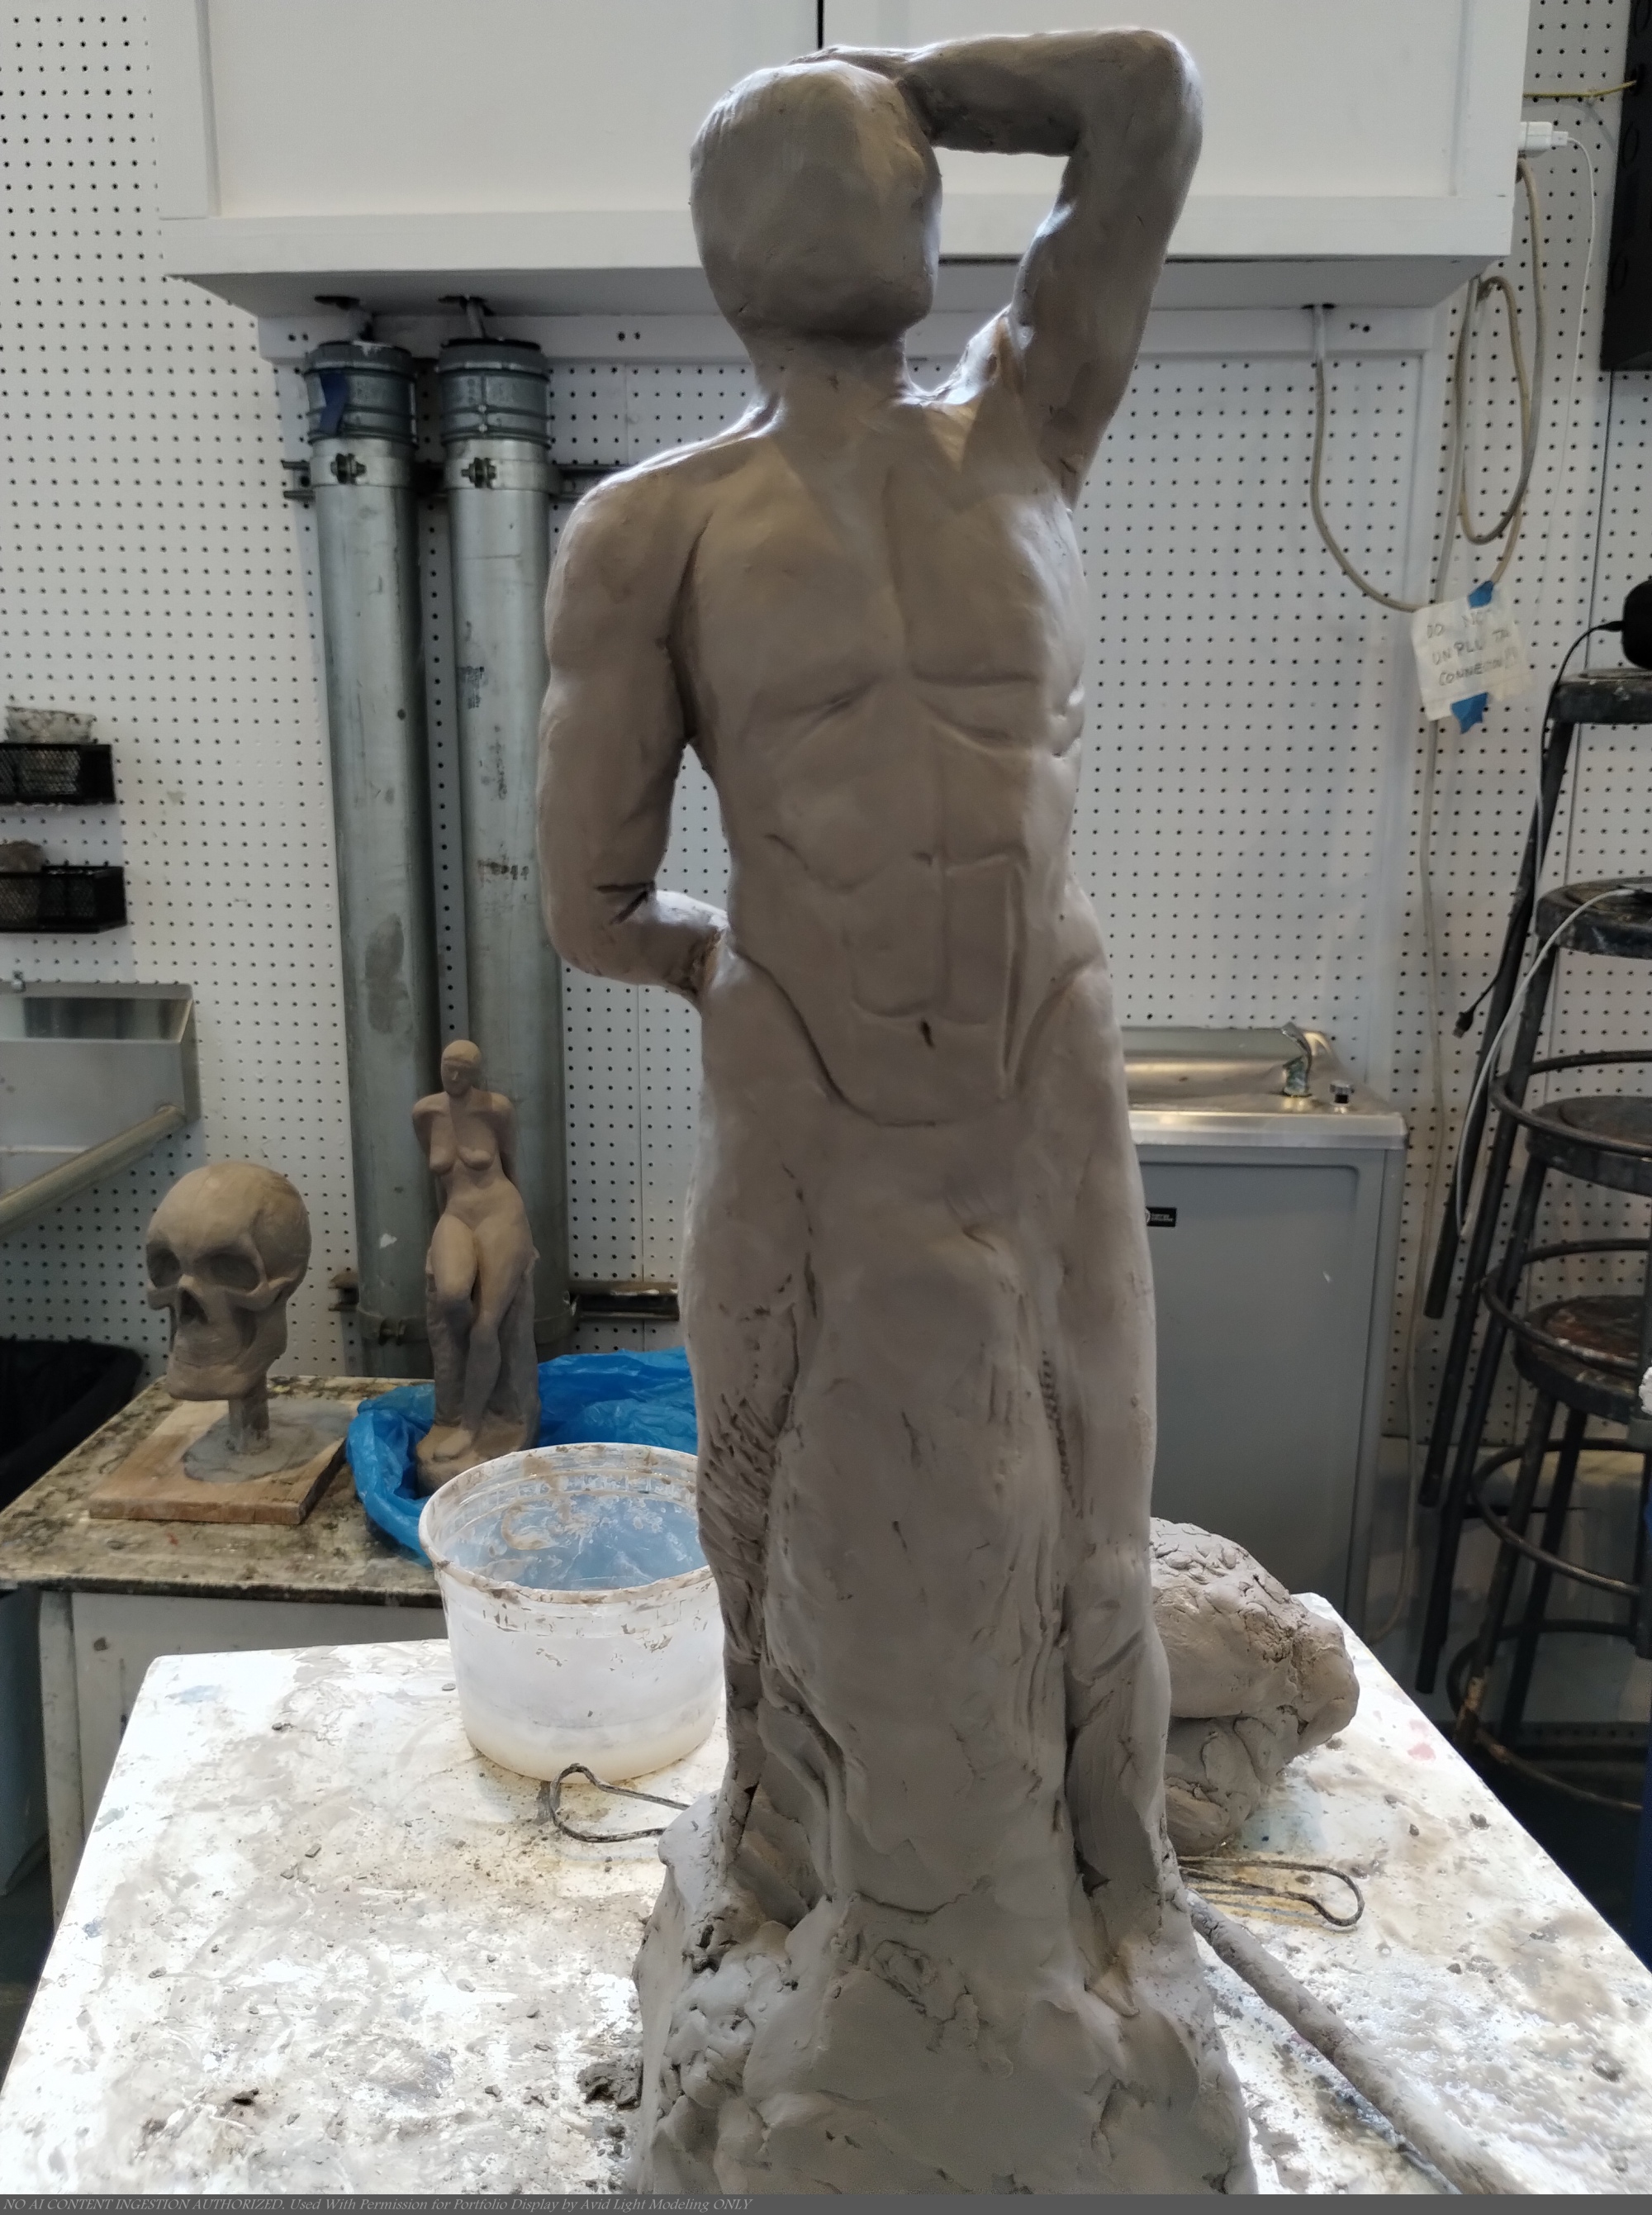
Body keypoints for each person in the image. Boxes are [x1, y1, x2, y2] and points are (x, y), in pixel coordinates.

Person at [538, 31, 1251, 2192]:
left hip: (1045, 1071)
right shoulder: (651, 528)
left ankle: (1120, 1889)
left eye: (895, 163)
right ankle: (794, 1869)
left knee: (1098, 1492)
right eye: (828, 170)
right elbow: (590, 898)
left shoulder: (1024, 424)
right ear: (727, 251)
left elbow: (1145, 92)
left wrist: (884, 75)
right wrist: (733, 977)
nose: (870, 187)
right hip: (824, 1101)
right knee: (796, 1509)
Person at [411, 1039, 536, 1488]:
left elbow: (512, 1165)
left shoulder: (495, 1109)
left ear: (476, 1073)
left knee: (487, 1326)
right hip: (456, 1214)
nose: (453, 1075)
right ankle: (464, 1392)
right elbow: (437, 1179)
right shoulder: (426, 1112)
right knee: (450, 1297)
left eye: (463, 1069)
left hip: (501, 1213)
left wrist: (525, 1237)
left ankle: (470, 1424)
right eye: (448, 1066)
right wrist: (441, 1229)